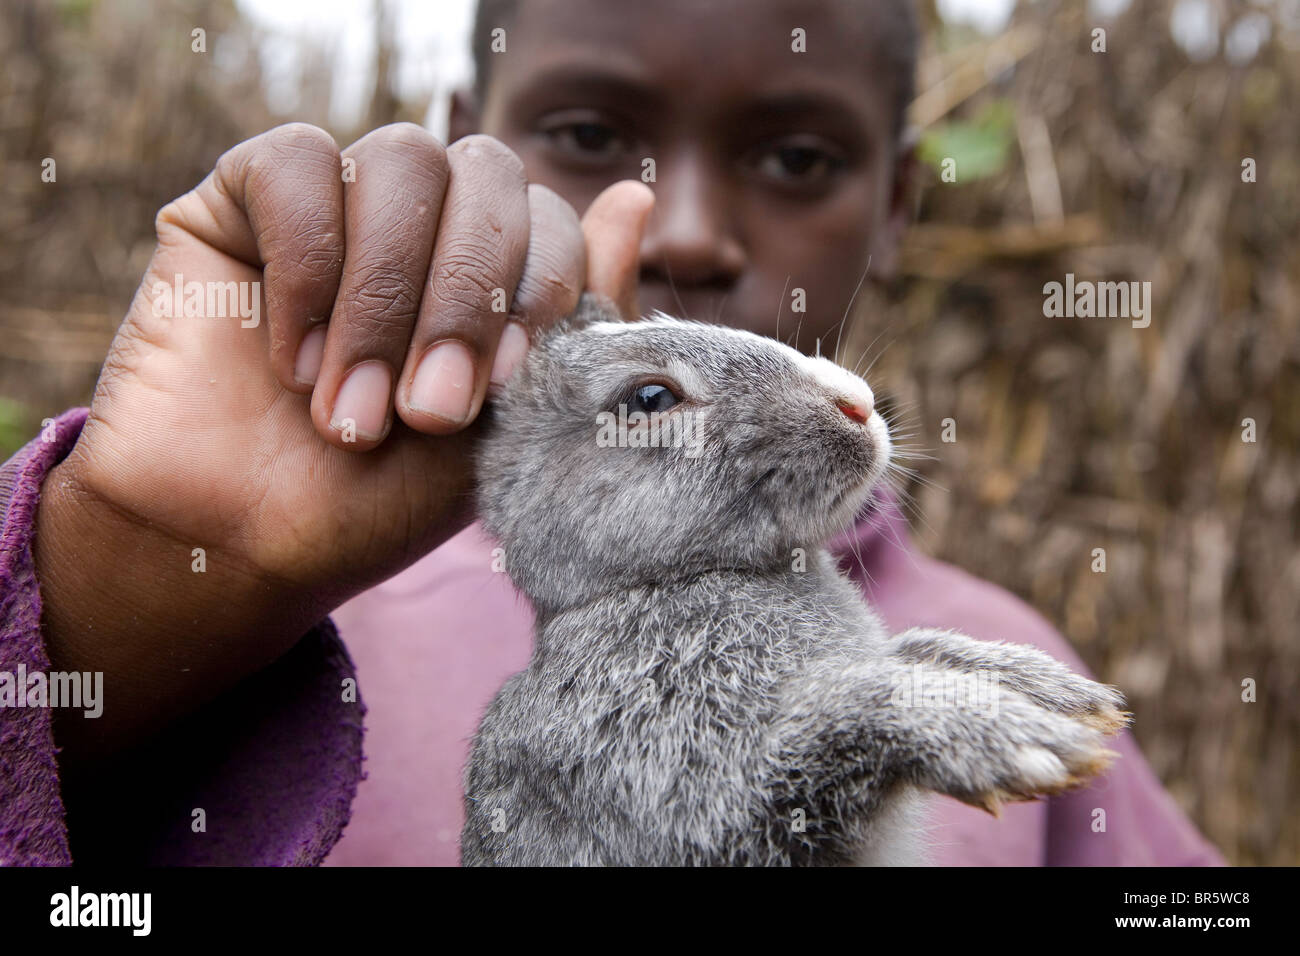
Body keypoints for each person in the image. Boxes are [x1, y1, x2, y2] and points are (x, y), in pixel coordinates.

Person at [0, 0, 1222, 865]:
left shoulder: (1000, 635)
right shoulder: (265, 615)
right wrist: (141, 567)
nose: (682, 230)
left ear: (897, 204)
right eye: (588, 135)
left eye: (798, 156)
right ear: (463, 128)